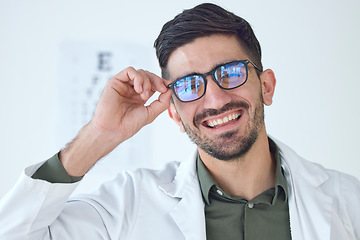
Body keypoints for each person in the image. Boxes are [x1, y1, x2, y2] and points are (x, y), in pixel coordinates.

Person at [0, 3, 359, 240]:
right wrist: (99, 135)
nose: (215, 100)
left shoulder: (347, 202)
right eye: (190, 85)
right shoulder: (129, 204)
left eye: (231, 73)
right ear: (173, 111)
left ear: (266, 86)